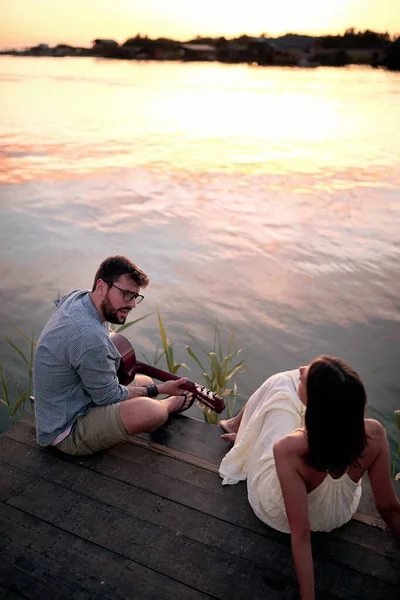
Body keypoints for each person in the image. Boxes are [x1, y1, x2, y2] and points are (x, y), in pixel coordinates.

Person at [219, 356, 400, 600]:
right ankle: (241, 431)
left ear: (316, 404)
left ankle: (237, 428)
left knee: (281, 384)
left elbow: (301, 534)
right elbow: (388, 506)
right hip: (338, 514)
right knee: (287, 394)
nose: (301, 369)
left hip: (279, 516)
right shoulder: (374, 433)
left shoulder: (289, 449)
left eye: (306, 375)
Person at [33, 255, 193, 456]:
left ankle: (157, 398)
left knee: (142, 380)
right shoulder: (89, 338)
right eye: (126, 294)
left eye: (135, 296)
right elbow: (108, 397)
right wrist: (161, 389)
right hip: (66, 430)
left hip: (69, 401)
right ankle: (169, 404)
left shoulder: (79, 297)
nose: (132, 304)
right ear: (101, 286)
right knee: (153, 411)